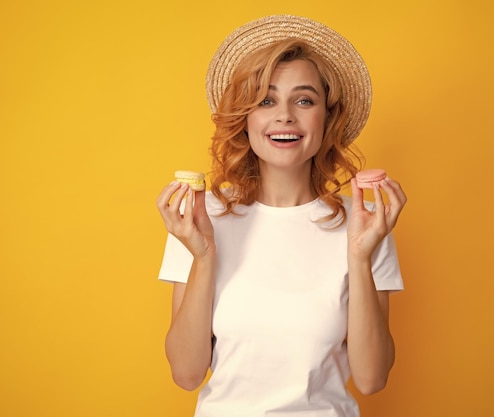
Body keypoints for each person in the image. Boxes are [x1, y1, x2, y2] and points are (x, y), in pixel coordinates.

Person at [156, 15, 407, 417]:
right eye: (266, 100)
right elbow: (186, 374)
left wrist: (359, 256)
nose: (285, 115)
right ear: (246, 118)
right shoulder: (201, 219)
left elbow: (372, 378)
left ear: (327, 118)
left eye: (304, 100)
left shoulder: (365, 222)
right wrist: (203, 257)